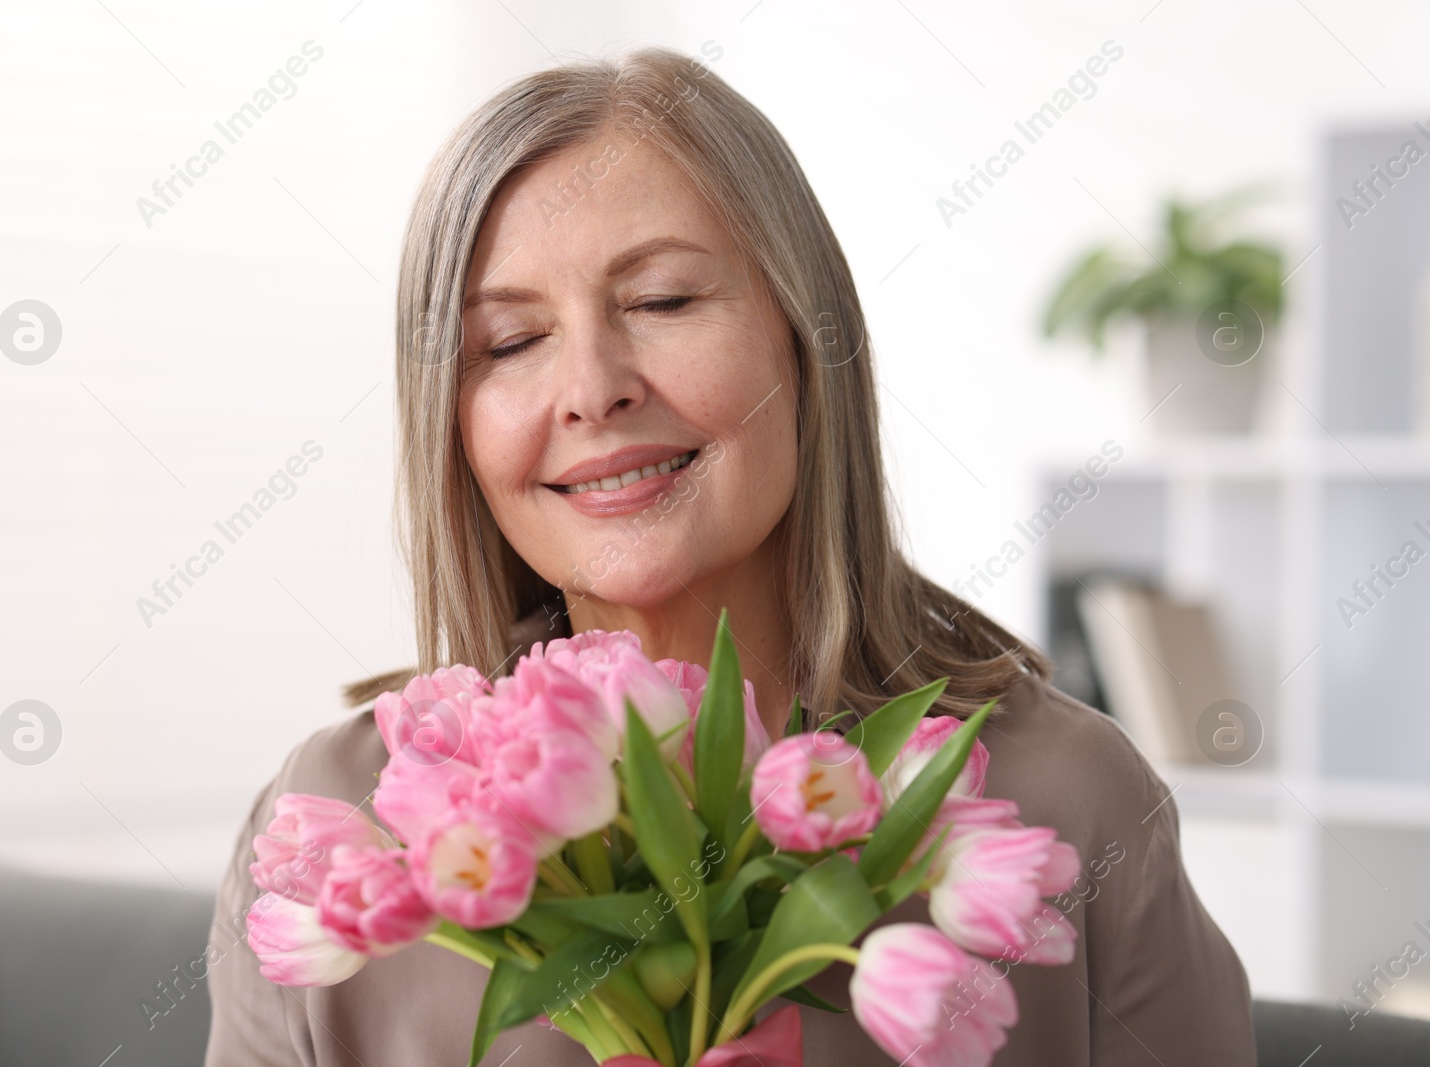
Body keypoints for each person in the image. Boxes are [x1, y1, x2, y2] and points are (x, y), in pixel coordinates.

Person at [204, 47, 1256, 1065]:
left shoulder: (1060, 795)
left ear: (806, 338)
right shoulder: (336, 830)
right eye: (510, 342)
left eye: (661, 300)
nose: (592, 387)